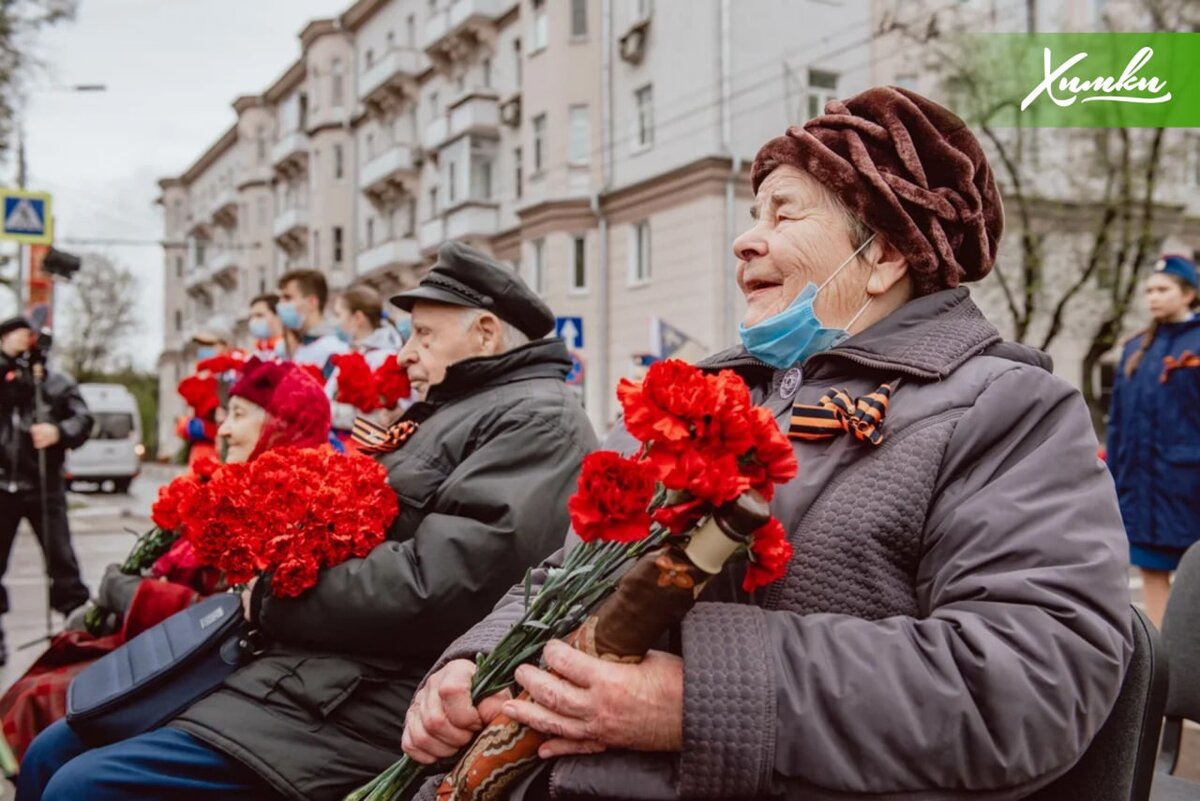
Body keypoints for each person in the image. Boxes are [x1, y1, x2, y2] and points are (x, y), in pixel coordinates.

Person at [406, 88, 1133, 801]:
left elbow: (1027, 681)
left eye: (783, 214)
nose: (744, 238)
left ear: (882, 255)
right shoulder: (713, 391)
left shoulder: (1006, 409)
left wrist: (697, 701)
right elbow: (573, 569)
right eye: (754, 214)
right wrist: (475, 661)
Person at [18, 241, 597, 801]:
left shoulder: (536, 419)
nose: (404, 355)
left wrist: (272, 595)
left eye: (423, 335)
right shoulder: (461, 409)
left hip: (369, 694)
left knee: (81, 785)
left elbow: (441, 585)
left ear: (486, 333)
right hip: (315, 672)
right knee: (50, 751)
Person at [1, 358, 333, 762]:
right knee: (37, 689)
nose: (224, 429)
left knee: (47, 720)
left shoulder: (290, 511)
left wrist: (132, 595)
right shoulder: (229, 487)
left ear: (281, 424)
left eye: (239, 415)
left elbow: (227, 618)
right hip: (164, 653)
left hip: (199, 676)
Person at [1107, 253, 1200, 628]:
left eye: (1163, 290)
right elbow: (1118, 424)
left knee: (1192, 577)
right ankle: (1167, 666)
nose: (1153, 298)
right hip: (1143, 488)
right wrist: (1112, 478)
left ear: (1189, 294)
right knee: (1151, 575)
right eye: (1149, 291)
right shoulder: (1134, 350)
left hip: (1189, 486)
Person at [0, 318, 92, 667]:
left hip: (44, 485)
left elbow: (83, 420)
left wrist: (58, 431)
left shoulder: (56, 382)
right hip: (3, 484)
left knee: (62, 559)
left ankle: (76, 629)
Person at [327, 285, 407, 439]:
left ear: (358, 318)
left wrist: (332, 413)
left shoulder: (388, 358)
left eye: (339, 315)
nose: (337, 322)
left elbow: (381, 417)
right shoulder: (354, 353)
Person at [275, 269, 349, 371]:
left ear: (312, 302)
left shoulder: (332, 350)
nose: (280, 304)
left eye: (288, 298)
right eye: (280, 299)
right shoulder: (300, 347)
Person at [247, 293, 284, 361]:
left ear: (279, 316)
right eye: (251, 317)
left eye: (259, 315)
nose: (253, 321)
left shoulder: (290, 351)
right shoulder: (253, 354)